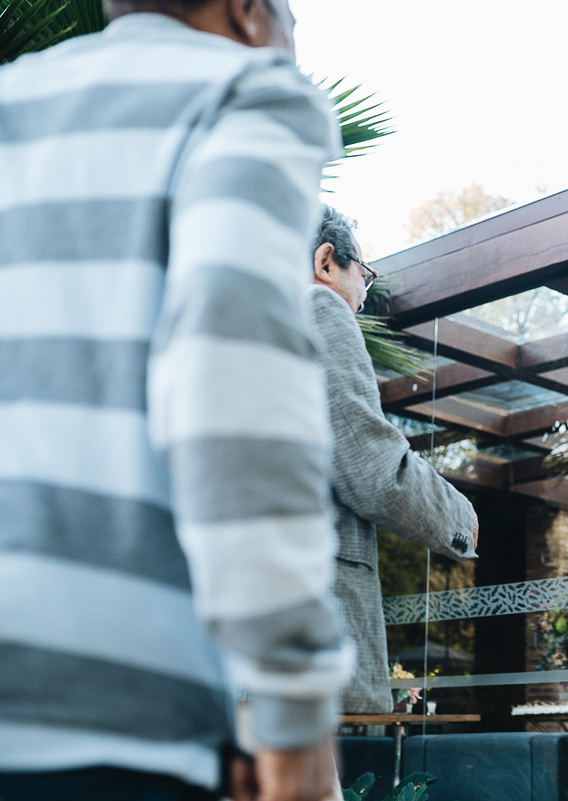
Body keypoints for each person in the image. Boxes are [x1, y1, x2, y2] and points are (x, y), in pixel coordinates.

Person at [0, 1, 350, 800]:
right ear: (248, 12)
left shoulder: (10, 100)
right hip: (118, 717)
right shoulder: (244, 94)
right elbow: (233, 394)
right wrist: (294, 716)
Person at [306, 206, 478, 714]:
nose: (364, 293)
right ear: (325, 261)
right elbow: (374, 470)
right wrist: (460, 518)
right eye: (364, 272)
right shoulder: (318, 308)